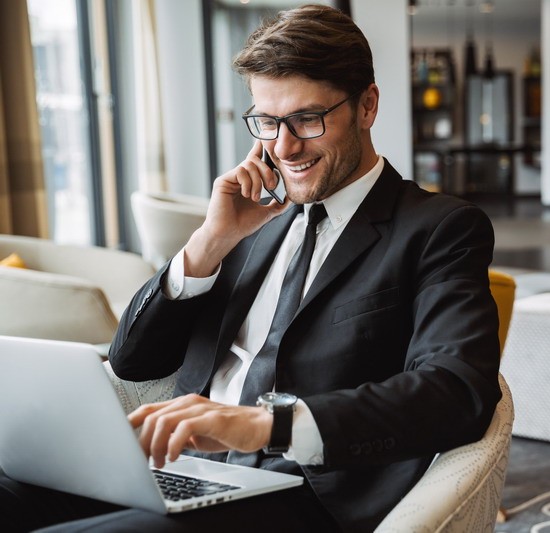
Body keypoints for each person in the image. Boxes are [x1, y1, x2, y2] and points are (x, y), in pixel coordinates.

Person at [0, 4, 500, 532]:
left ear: (367, 106)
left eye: (308, 119)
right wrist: (208, 242)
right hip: (180, 469)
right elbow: (131, 361)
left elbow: (455, 389)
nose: (284, 147)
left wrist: (266, 426)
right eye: (267, 121)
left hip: (303, 496)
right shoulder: (249, 222)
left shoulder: (440, 228)